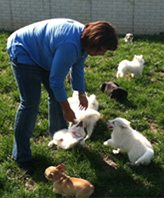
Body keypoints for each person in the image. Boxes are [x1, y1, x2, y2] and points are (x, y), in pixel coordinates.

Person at [7, 18, 118, 174]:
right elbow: (56, 81)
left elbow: (77, 68)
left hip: (43, 52)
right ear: (94, 41)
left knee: (56, 95)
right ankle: (21, 156)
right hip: (24, 49)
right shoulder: (71, 45)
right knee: (30, 103)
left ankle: (60, 137)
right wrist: (67, 109)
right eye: (102, 49)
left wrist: (81, 94)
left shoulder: (84, 42)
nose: (102, 54)